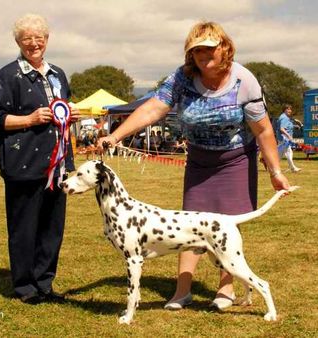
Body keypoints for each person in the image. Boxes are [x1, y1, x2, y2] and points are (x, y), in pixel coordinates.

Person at [98, 21, 292, 311]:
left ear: (224, 48)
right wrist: (115, 135)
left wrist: (276, 172)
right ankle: (182, 291)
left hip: (235, 160)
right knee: (186, 223)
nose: (203, 55)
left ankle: (225, 288)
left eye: (209, 49)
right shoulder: (181, 78)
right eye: (196, 50)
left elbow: (264, 130)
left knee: (226, 222)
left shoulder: (244, 80)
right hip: (199, 161)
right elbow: (154, 108)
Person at [0, 13, 80, 304]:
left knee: (52, 228)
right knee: (24, 228)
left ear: (47, 40)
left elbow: (62, 110)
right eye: (27, 38)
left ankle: (45, 283)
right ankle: (25, 287)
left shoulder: (58, 74)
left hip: (57, 163)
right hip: (23, 163)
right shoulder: (8, 75)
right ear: (18, 42)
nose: (34, 43)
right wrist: (29, 119)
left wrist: (71, 114)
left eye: (39, 38)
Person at [276, 104, 301, 172]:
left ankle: (273, 166)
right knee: (288, 152)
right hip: (284, 138)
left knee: (280, 154)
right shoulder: (284, 117)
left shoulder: (286, 117)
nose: (290, 110)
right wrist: (289, 136)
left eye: (290, 109)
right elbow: (282, 129)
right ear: (284, 110)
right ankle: (293, 168)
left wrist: (294, 126)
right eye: (288, 109)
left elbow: (287, 126)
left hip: (283, 138)